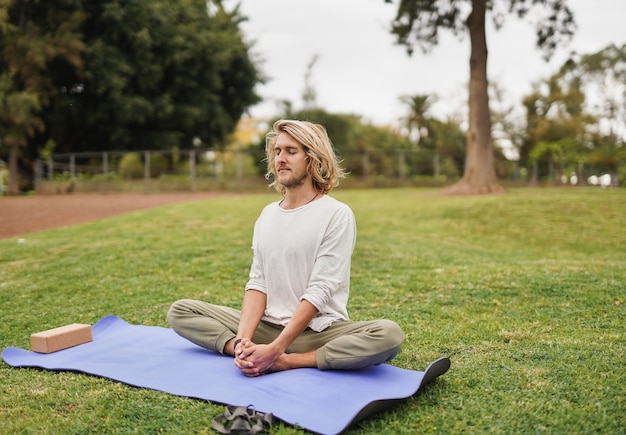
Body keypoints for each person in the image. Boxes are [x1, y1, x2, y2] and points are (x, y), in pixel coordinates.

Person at [167, 119, 404, 377]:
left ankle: (290, 361)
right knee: (180, 310)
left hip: (316, 331)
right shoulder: (267, 214)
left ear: (312, 158)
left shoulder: (336, 214)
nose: (281, 158)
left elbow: (321, 289)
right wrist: (243, 343)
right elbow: (258, 283)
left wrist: (277, 351)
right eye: (278, 151)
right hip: (266, 326)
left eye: (291, 151)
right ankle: (246, 351)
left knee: (388, 335)